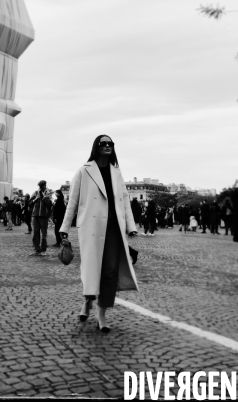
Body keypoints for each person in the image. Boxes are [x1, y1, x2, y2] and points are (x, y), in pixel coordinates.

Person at [59, 134, 139, 333]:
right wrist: (64, 228)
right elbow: (73, 202)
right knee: (92, 269)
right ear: (96, 147)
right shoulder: (84, 171)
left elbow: (125, 200)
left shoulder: (116, 172)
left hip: (113, 227)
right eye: (103, 143)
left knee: (110, 270)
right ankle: (87, 301)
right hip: (91, 227)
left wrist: (131, 226)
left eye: (110, 143)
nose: (107, 146)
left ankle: (101, 313)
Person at [30, 181, 53, 254]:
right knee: (35, 232)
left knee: (44, 233)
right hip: (35, 215)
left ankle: (43, 248)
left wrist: (44, 197)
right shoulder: (35, 193)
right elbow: (30, 204)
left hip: (44, 216)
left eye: (44, 185)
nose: (42, 187)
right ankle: (37, 248)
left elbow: (49, 204)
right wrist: (36, 198)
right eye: (41, 186)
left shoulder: (48, 193)